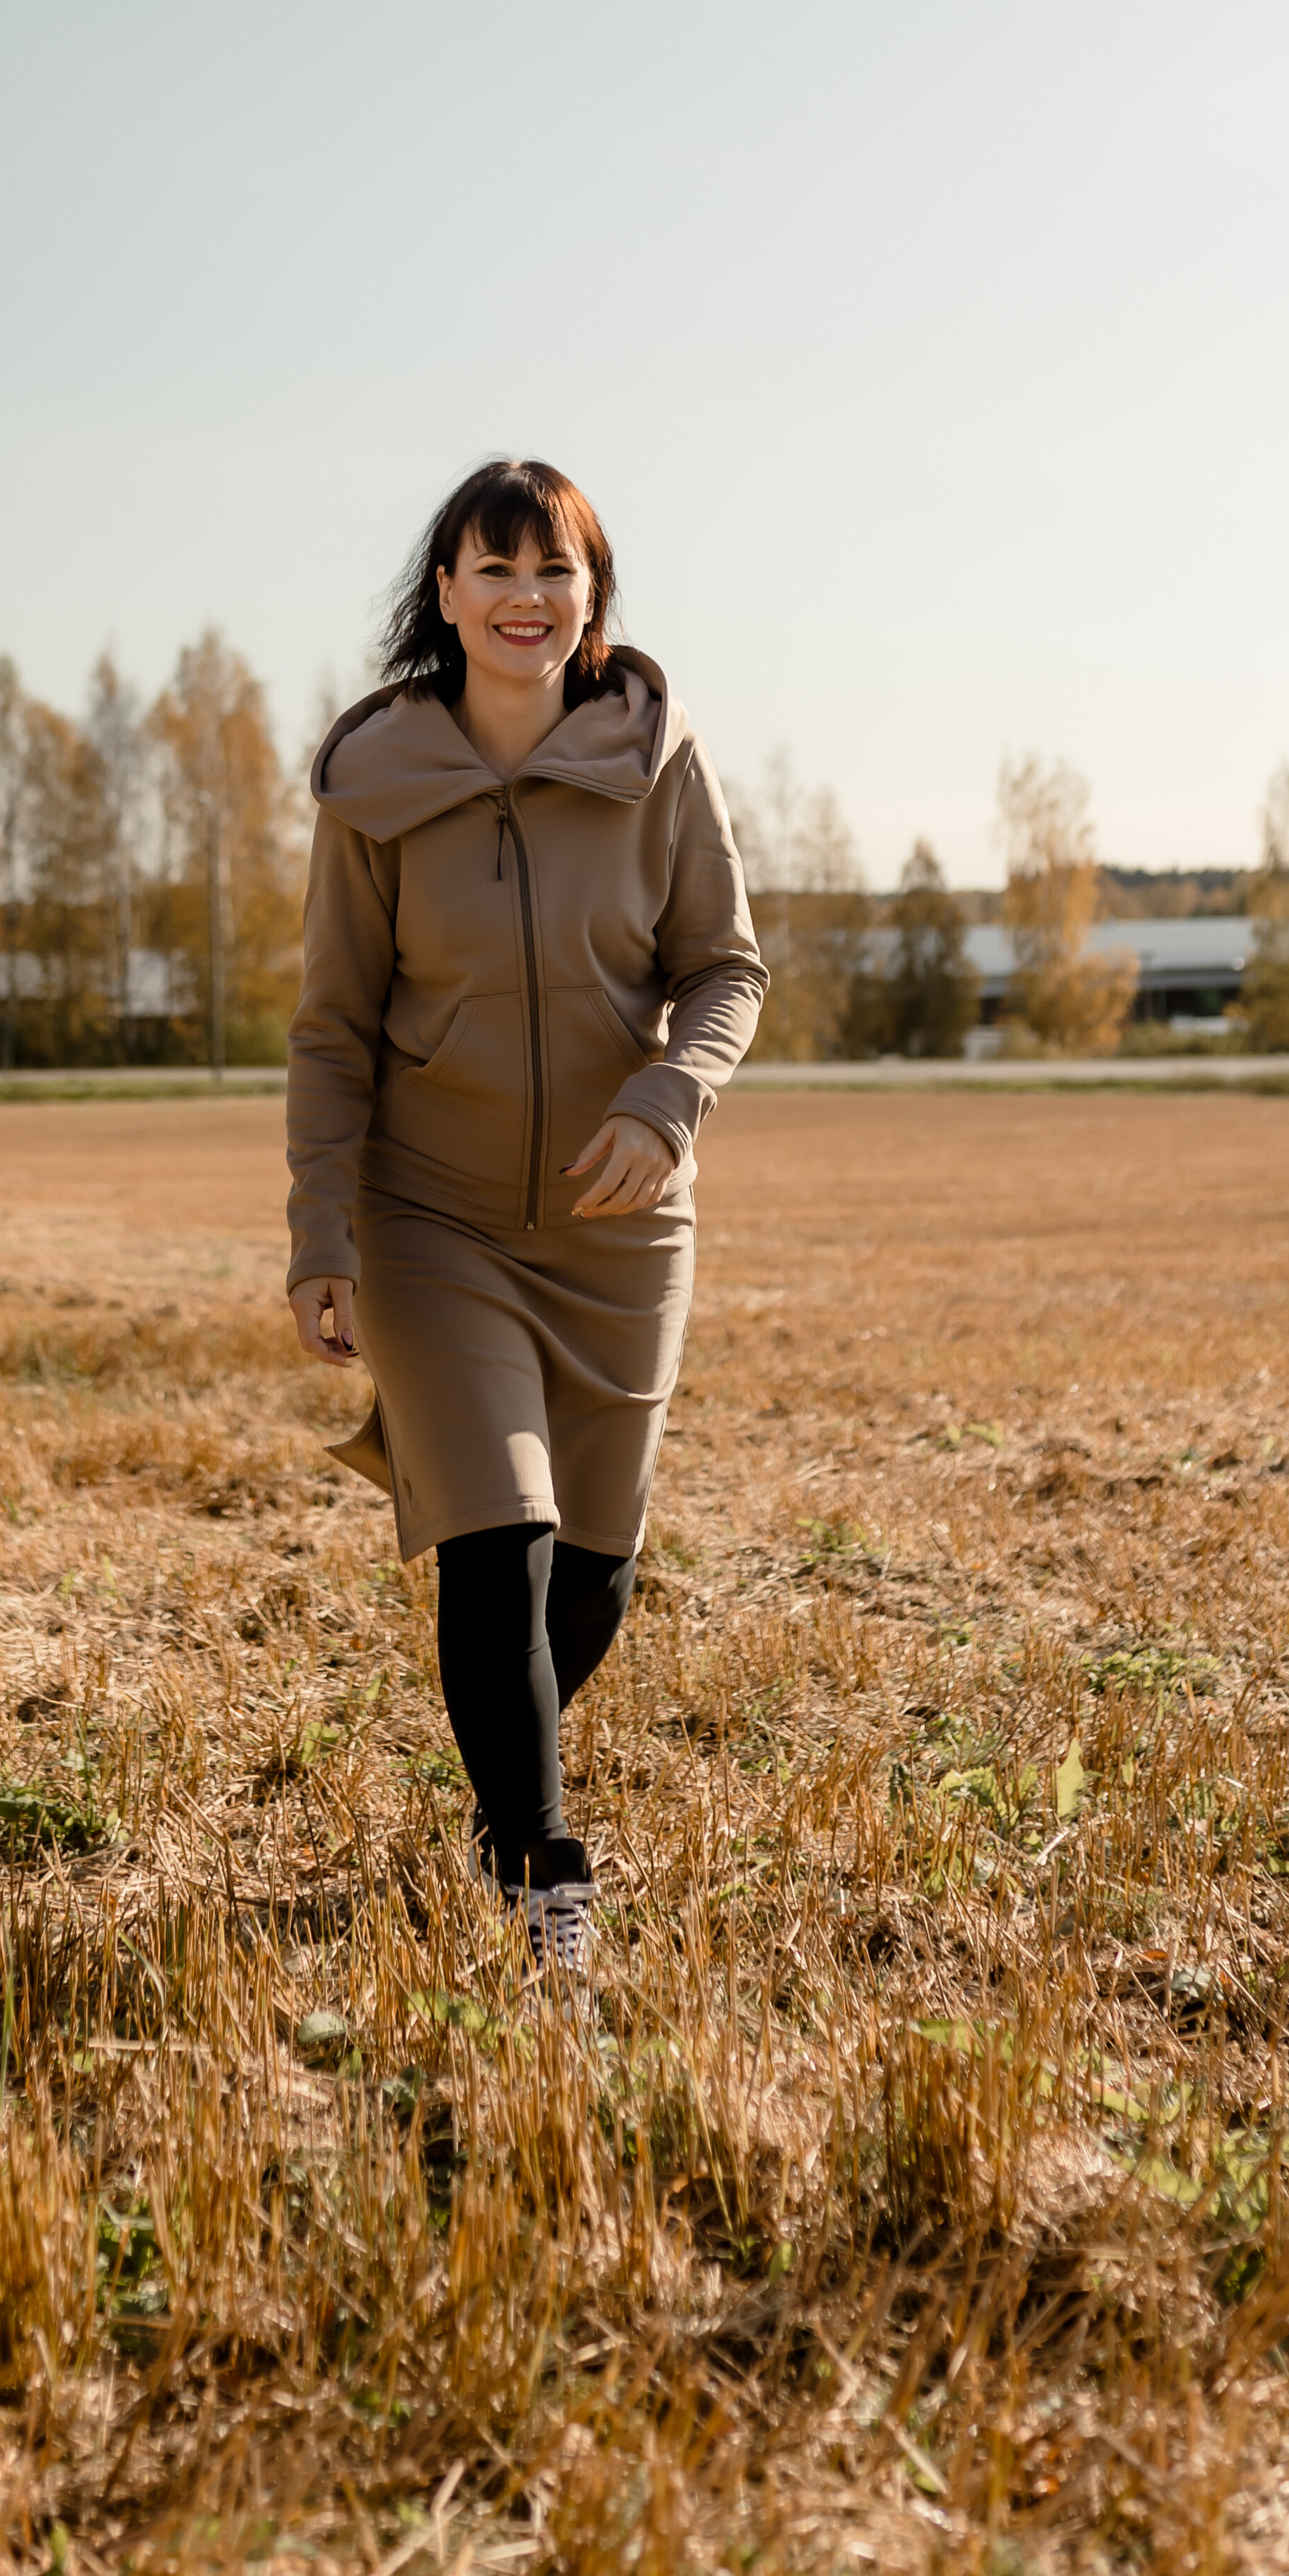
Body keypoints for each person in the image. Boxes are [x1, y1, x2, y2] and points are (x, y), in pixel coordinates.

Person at [285, 458, 767, 1973]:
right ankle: (540, 1869)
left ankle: (504, 1786)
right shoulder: (376, 784)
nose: (526, 598)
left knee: (594, 1571)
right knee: (503, 1534)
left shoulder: (656, 755)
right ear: (443, 594)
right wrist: (323, 1230)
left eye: (554, 571)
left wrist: (666, 1099)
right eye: (494, 570)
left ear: (591, 595)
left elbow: (728, 971)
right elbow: (331, 1027)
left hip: (619, 1225)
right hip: (432, 1213)